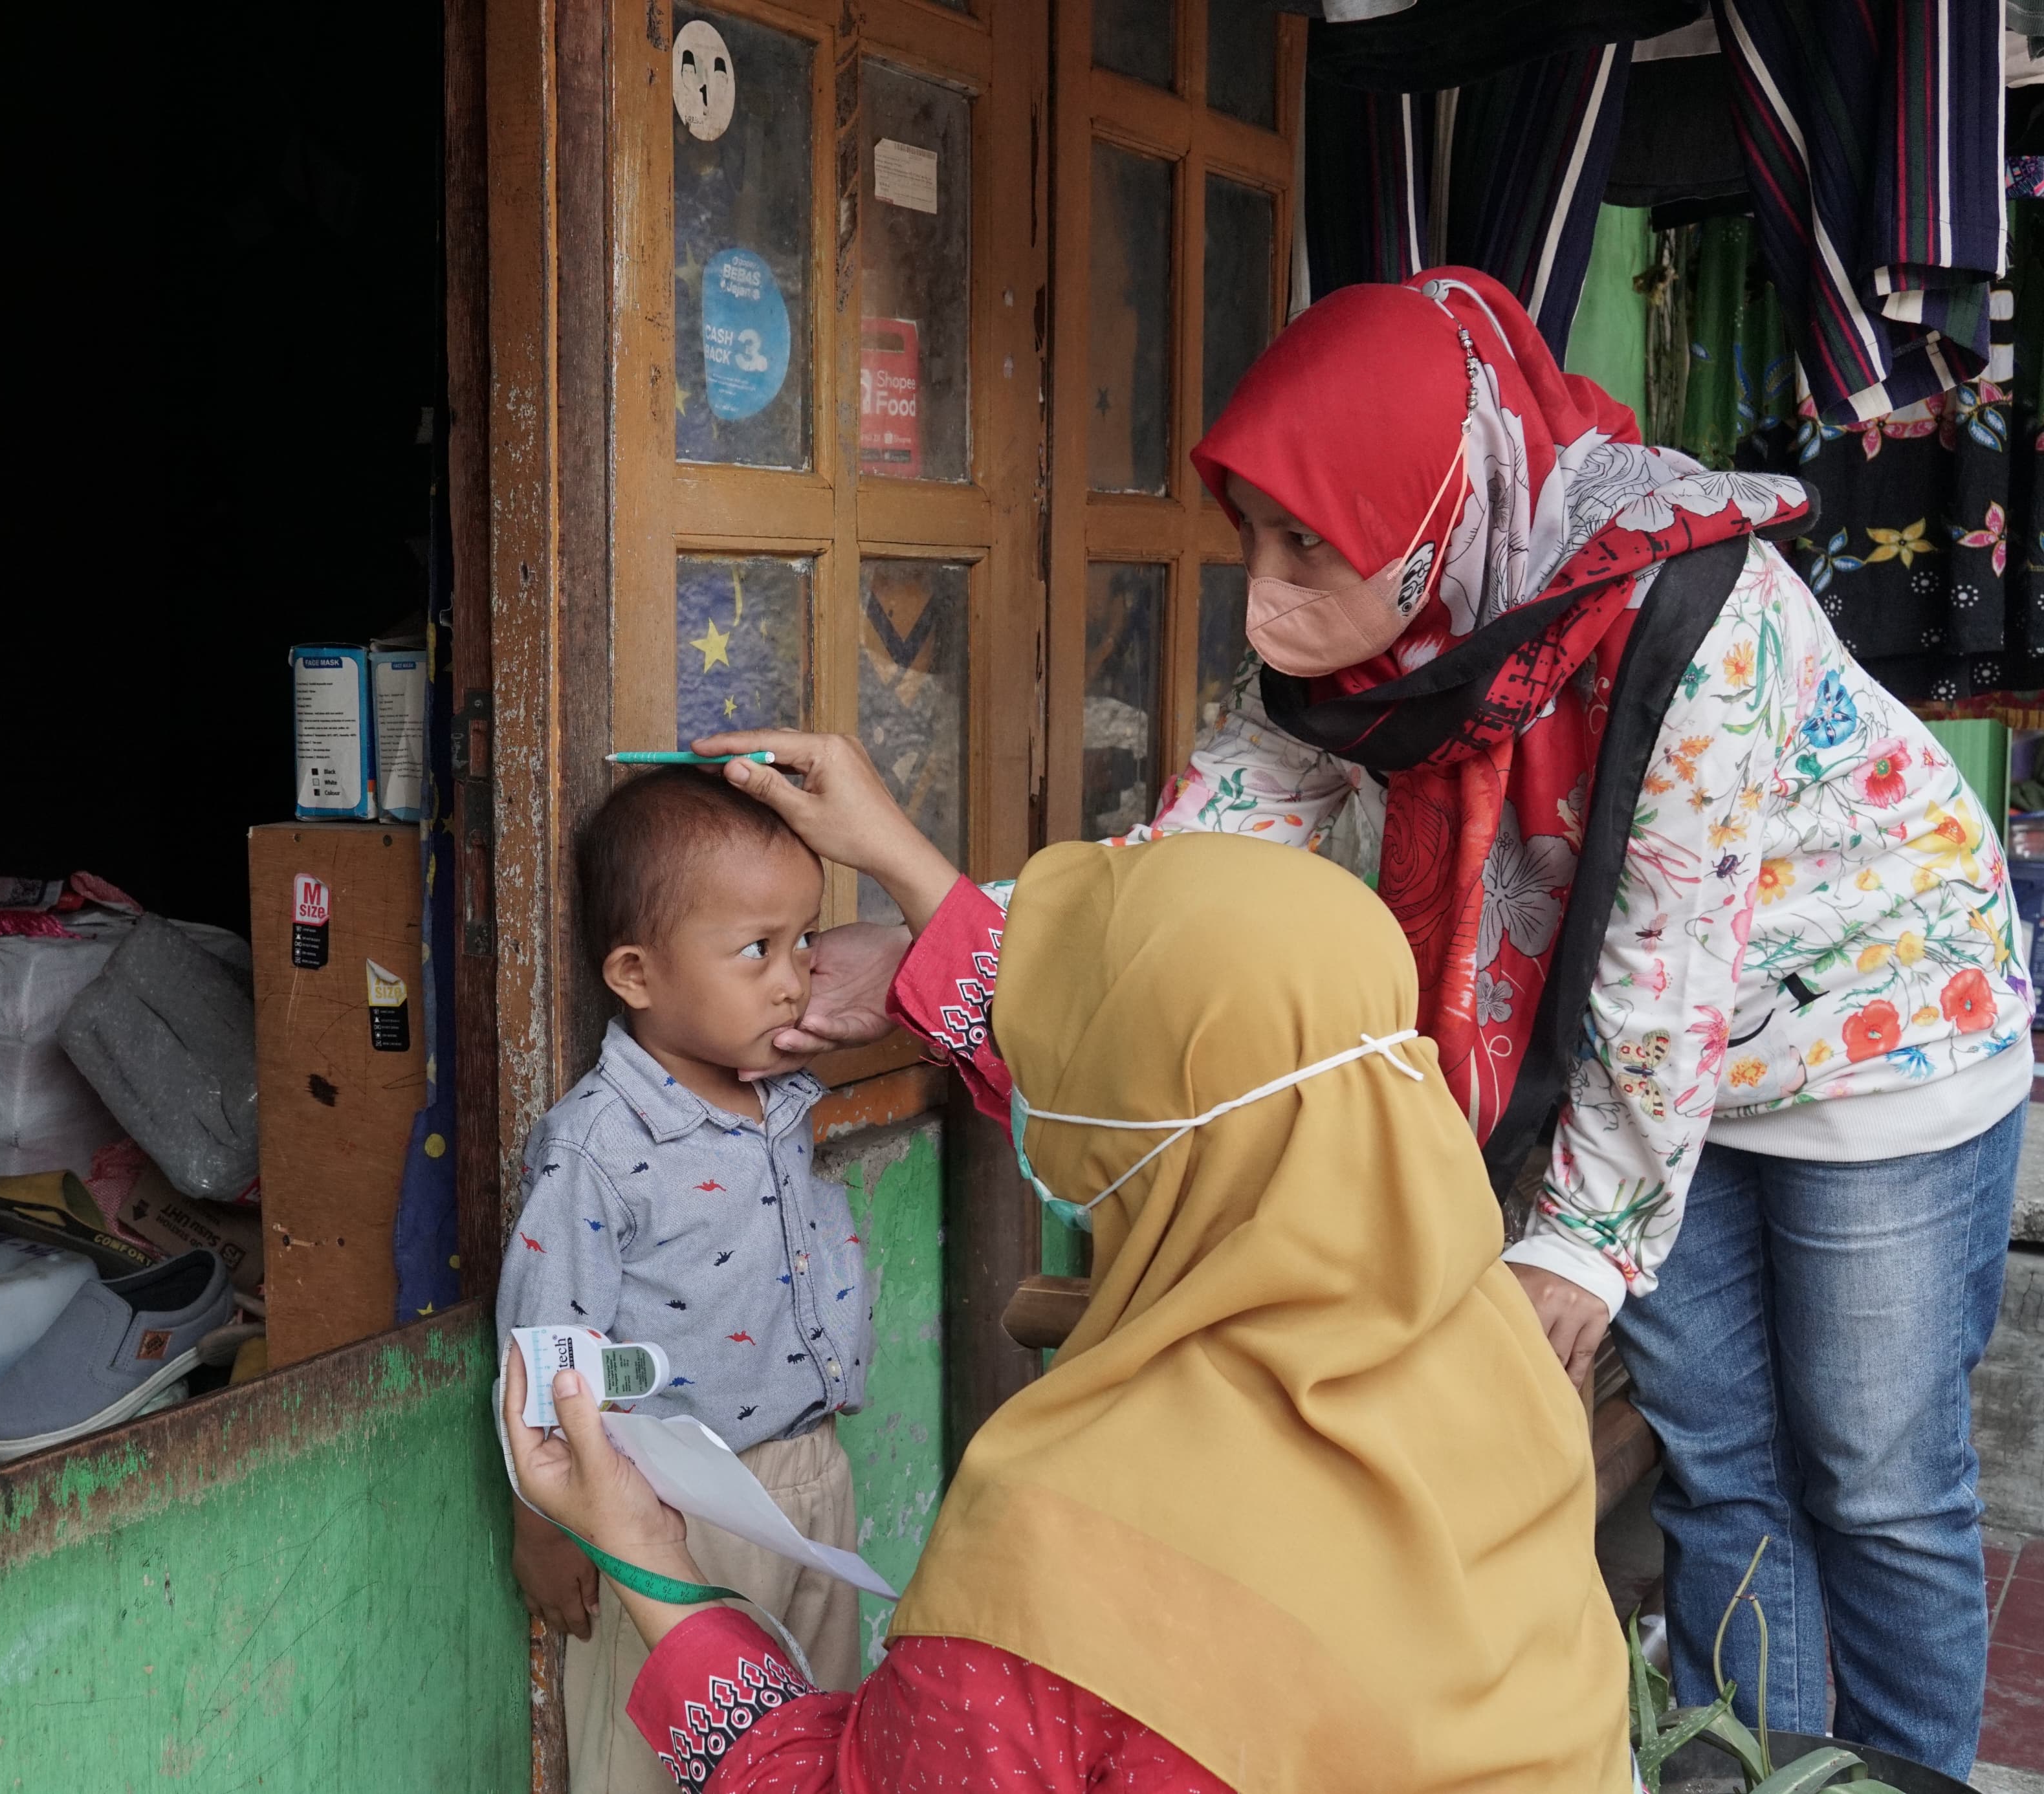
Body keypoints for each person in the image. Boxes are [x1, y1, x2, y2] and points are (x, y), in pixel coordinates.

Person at [696, 267, 2029, 1777]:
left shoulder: (1692, 614)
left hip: (1878, 1032)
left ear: (1436, 507)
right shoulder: (1365, 635)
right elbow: (1173, 905)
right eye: (1249, 537)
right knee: (1724, 1468)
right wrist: (929, 910)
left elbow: (1662, 970)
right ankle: (1778, 1766)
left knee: (1874, 1479)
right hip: (1659, 1077)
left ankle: (1910, 1775)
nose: (1261, 595)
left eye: (1303, 544)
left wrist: (1574, 1248)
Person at [504, 833, 1631, 1793]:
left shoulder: (1068, 1563)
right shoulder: (1510, 1373)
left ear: (1149, 1141)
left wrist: (651, 1564)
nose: (1029, 1096)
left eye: (1065, 1068)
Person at [496, 768, 871, 1794]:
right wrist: (546, 1523)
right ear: (636, 972)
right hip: (667, 1507)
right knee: (659, 1759)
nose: (794, 978)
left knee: (816, 1738)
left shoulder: (780, 1091)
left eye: (804, 940)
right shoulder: (598, 1147)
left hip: (809, 1479)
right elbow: (544, 1352)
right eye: (757, 948)